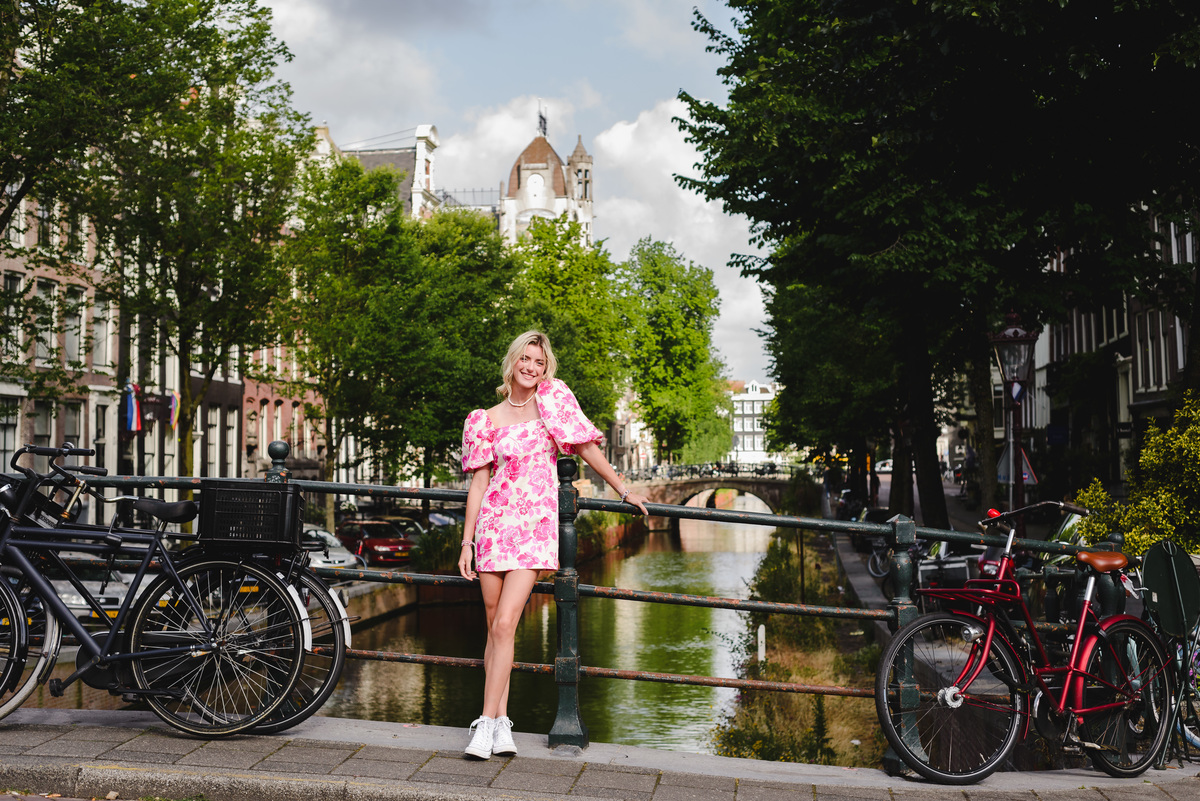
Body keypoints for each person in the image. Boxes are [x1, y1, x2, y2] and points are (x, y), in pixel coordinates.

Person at [457, 330, 649, 760]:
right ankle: (503, 723)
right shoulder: (483, 419)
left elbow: (586, 448)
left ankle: (484, 726)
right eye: (526, 359)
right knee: (493, 625)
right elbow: (479, 482)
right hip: (492, 525)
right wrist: (467, 541)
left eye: (539, 362)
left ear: (546, 369)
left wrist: (623, 489)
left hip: (532, 528)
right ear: (513, 361)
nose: (532, 367)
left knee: (506, 624)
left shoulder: (554, 403)